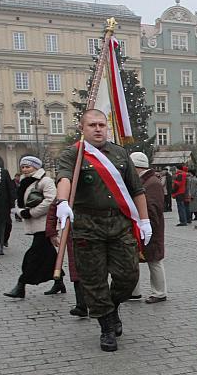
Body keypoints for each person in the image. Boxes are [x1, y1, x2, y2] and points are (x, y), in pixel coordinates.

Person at [54, 109, 152, 352]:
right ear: (82, 128)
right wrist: (63, 202)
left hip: (119, 225)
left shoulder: (119, 153)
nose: (98, 129)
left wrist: (145, 221)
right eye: (92, 125)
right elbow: (64, 178)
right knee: (93, 280)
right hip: (88, 227)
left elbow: (137, 189)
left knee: (129, 276)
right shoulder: (73, 154)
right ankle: (107, 327)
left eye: (101, 125)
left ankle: (112, 306)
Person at [3, 156, 57, 298]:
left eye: (28, 166)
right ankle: (59, 281)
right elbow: (19, 201)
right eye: (23, 167)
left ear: (36, 167)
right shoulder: (24, 181)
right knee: (50, 254)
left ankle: (21, 285)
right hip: (34, 223)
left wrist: (30, 213)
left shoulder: (45, 181)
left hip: (45, 224)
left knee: (32, 256)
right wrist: (21, 212)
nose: (25, 169)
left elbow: (51, 201)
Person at [130, 152, 167, 304]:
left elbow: (152, 208)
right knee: (134, 259)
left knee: (154, 260)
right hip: (142, 226)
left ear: (136, 167)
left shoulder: (151, 183)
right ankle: (134, 291)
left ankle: (159, 293)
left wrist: (146, 224)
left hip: (150, 227)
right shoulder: (145, 181)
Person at [45, 202, 86, 316]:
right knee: (76, 268)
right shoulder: (68, 184)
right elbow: (55, 205)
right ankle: (81, 304)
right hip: (75, 232)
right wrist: (51, 232)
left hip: (97, 231)